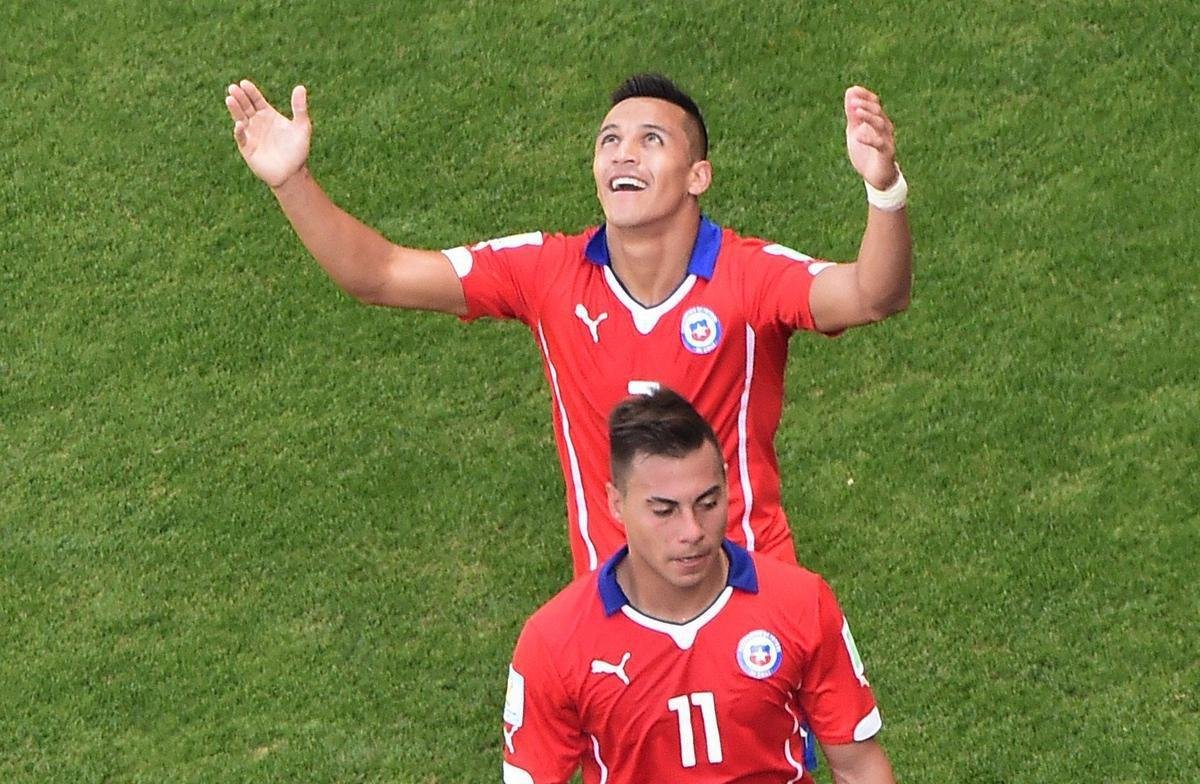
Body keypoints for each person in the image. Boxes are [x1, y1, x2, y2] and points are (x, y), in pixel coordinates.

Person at [224, 73, 912, 576]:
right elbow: (375, 274)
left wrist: (884, 190)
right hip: (614, 630)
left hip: (752, 605)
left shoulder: (751, 276)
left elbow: (873, 295)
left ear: (698, 174)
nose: (623, 154)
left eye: (650, 140)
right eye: (609, 140)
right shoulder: (546, 271)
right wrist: (292, 181)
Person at [501, 388, 896, 784]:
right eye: (664, 510)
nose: (692, 531)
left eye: (708, 503)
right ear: (616, 504)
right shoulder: (554, 642)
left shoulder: (801, 603)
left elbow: (858, 768)